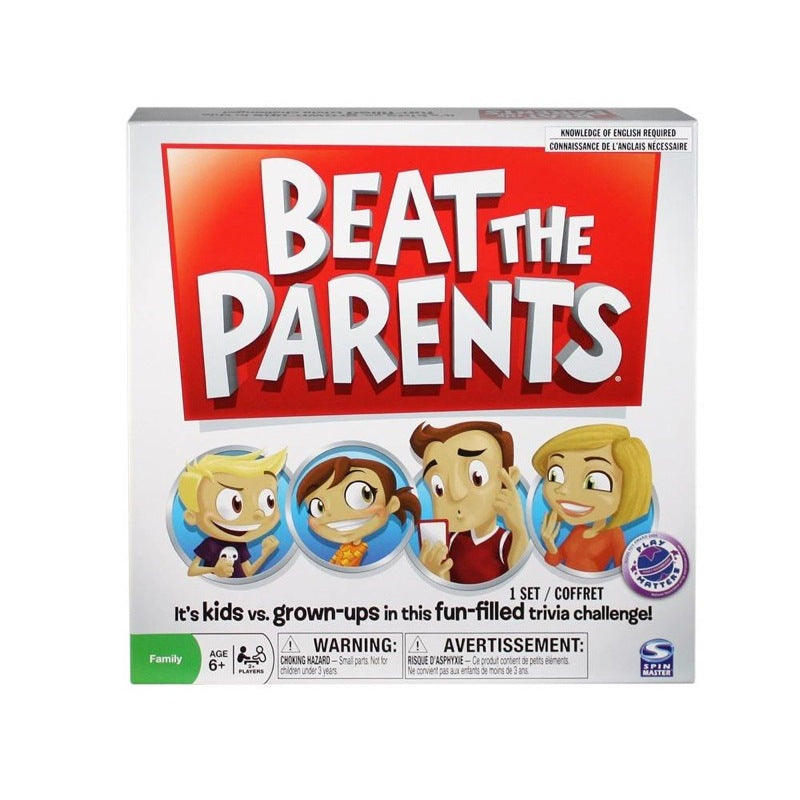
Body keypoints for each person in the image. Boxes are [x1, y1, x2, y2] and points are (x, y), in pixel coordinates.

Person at [410, 421, 529, 584]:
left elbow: (522, 578)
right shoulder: (448, 542)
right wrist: (433, 577)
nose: (456, 494)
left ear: (509, 478)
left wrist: (519, 529)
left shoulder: (505, 542)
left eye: (477, 477)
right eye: (439, 487)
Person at [531, 424, 651, 572]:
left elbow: (622, 572)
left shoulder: (614, 534)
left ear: (629, 487)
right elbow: (555, 561)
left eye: (594, 481)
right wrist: (550, 544)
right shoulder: (578, 530)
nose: (564, 490)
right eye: (555, 474)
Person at [178, 449, 287, 578]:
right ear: (191, 517)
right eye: (235, 504)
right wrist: (214, 569)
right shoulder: (210, 544)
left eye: (269, 501)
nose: (257, 514)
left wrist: (265, 555)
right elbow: (192, 570)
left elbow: (247, 573)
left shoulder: (241, 545)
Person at [297, 456, 420, 567]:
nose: (337, 514)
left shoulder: (393, 549)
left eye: (363, 495)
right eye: (318, 508)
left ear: (392, 504)